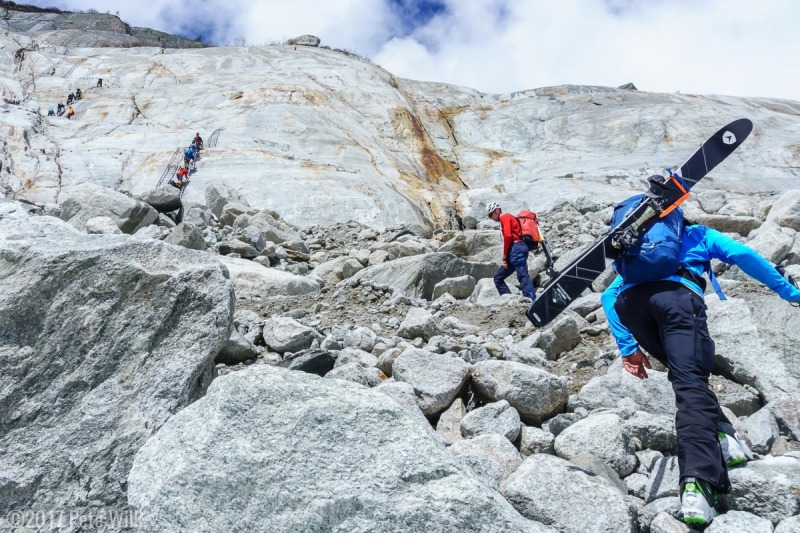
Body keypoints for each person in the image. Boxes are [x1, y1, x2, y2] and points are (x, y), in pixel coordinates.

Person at [601, 207, 800, 526]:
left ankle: (725, 437)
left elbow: (609, 297)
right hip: (677, 303)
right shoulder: (698, 234)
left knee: (687, 378)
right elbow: (743, 255)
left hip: (632, 307)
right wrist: (790, 292)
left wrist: (628, 348)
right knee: (690, 383)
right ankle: (697, 482)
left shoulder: (637, 257)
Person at [486, 202, 536, 299]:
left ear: (496, 211)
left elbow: (508, 236)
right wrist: (506, 257)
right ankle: (508, 300)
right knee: (498, 278)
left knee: (522, 275)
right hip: (515, 250)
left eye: (490, 215)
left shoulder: (505, 217)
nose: (490, 218)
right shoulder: (504, 219)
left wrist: (504, 256)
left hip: (517, 248)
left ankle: (531, 301)